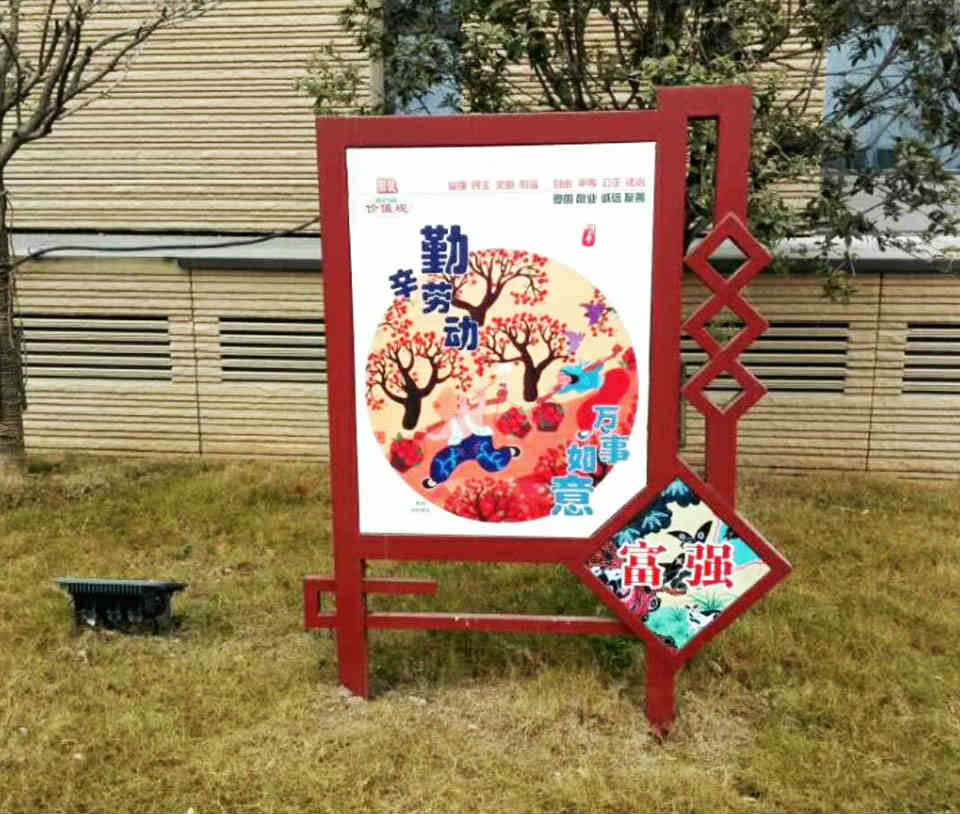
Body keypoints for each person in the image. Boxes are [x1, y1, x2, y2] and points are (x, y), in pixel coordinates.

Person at [422, 386, 520, 489]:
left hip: (480, 443)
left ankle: (509, 451)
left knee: (491, 462)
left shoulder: (474, 413)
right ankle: (436, 478)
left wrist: (481, 395)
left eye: (462, 403)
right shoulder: (451, 423)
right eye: (456, 406)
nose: (459, 407)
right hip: (461, 448)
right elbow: (440, 436)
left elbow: (482, 404)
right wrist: (428, 434)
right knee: (443, 458)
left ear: (468, 404)